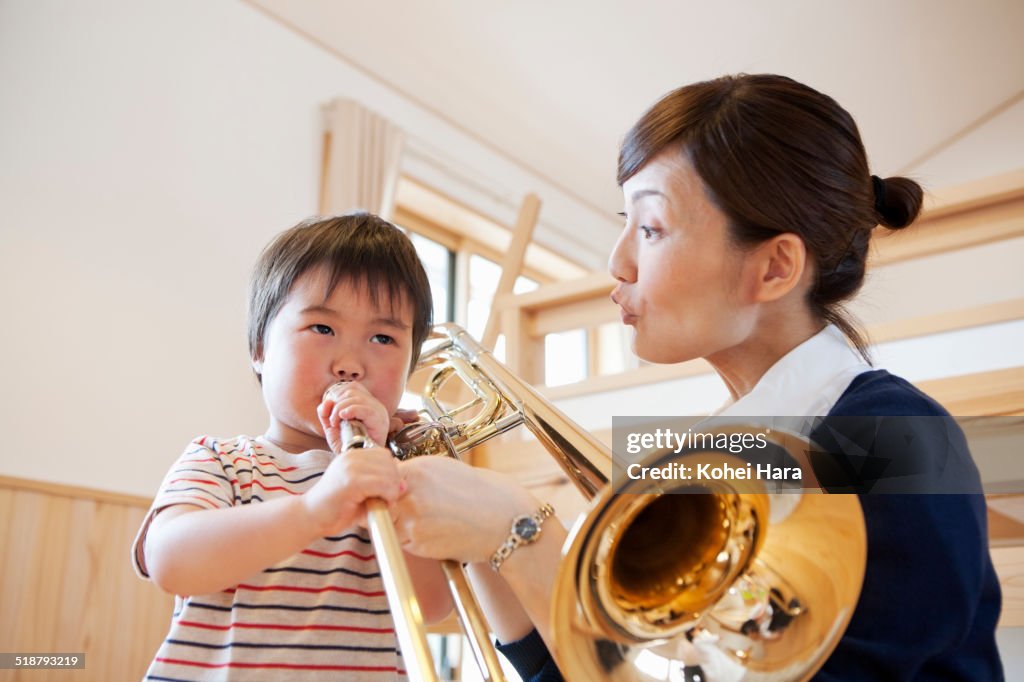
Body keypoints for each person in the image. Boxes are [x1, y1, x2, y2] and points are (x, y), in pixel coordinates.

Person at [393, 74, 1004, 680]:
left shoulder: (899, 443)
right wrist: (484, 547)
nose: (617, 261)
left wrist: (522, 534)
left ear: (774, 268)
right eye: (623, 223)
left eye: (651, 228)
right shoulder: (719, 455)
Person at [132, 213, 451, 680]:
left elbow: (432, 602)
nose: (350, 365)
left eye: (383, 338)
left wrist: (387, 468)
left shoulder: (398, 478)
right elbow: (170, 562)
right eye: (322, 329)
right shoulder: (220, 460)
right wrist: (314, 511)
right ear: (260, 348)